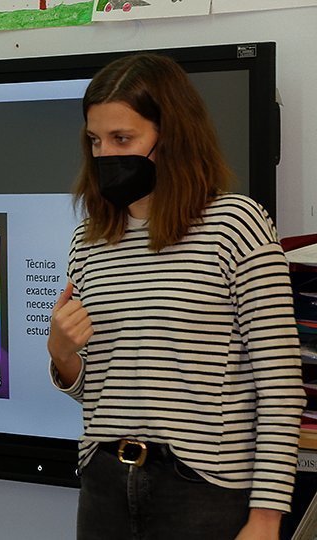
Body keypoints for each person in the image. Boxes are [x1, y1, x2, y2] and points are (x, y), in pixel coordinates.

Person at [47, 53, 306, 539]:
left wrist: (266, 517)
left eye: (123, 138)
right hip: (104, 483)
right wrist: (62, 358)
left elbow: (280, 385)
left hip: (201, 489)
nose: (105, 154)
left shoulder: (236, 225)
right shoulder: (89, 239)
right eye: (95, 140)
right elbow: (101, 387)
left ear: (172, 137)